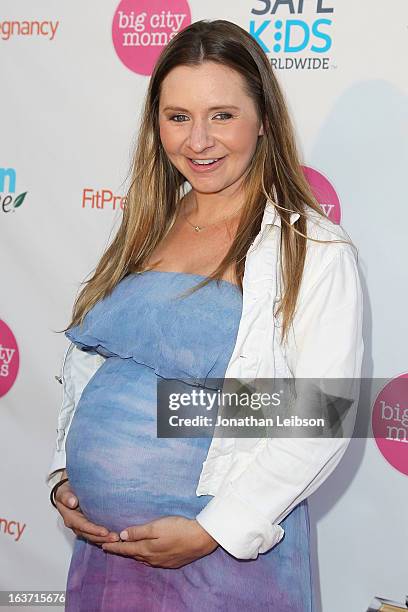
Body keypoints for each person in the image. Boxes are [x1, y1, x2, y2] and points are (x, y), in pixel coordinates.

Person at [46, 19, 364, 612]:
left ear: (263, 119)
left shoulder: (309, 248)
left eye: (222, 114)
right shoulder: (144, 232)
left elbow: (321, 413)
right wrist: (67, 473)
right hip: (107, 560)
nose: (198, 141)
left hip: (226, 568)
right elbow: (88, 374)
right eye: (177, 117)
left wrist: (213, 529)